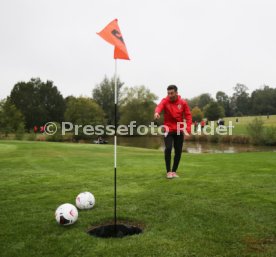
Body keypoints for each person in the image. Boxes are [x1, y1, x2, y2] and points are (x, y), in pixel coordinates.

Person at [154, 85, 192, 179]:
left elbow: (188, 116)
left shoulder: (183, 103)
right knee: (168, 148)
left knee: (178, 150)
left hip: (179, 129)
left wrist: (188, 130)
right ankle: (168, 172)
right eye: (168, 93)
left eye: (171, 93)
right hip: (168, 128)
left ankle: (174, 171)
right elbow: (159, 106)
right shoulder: (165, 101)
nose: (169, 95)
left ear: (176, 93)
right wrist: (157, 112)